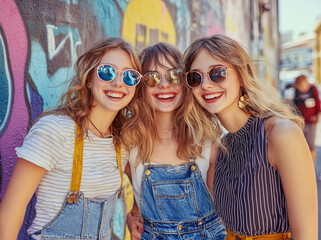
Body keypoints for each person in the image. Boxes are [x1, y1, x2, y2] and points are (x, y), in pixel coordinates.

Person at [0, 37, 142, 240]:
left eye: (130, 76)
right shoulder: (56, 130)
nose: (118, 83)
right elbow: (11, 210)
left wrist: (134, 213)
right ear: (89, 78)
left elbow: (146, 179)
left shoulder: (122, 142)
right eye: (107, 72)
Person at [184, 35, 318, 240]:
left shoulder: (280, 134)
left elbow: (306, 236)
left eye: (217, 73)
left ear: (241, 73)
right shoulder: (218, 149)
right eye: (195, 77)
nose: (206, 85)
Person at [122, 42, 226, 240]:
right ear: (141, 87)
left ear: (186, 82)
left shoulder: (206, 140)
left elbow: (222, 211)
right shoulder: (130, 143)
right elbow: (139, 201)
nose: (164, 85)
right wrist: (132, 216)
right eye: (151, 78)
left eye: (174, 76)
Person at [293, 74, 321, 164]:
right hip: (301, 121)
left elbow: (318, 103)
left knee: (311, 144)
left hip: (311, 121)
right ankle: (305, 162)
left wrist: (317, 115)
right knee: (302, 143)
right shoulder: (297, 91)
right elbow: (295, 105)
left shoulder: (313, 89)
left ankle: (312, 164)